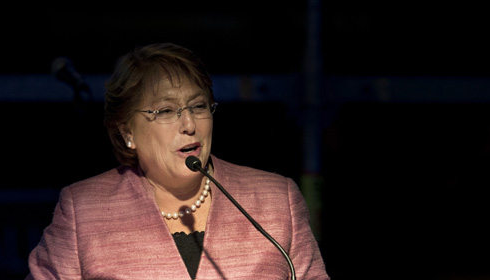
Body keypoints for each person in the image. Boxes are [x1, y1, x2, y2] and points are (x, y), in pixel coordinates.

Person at [26, 43, 329, 279]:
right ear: (127, 131)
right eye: (166, 111)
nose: (188, 124)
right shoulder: (84, 210)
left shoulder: (277, 200)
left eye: (198, 106)